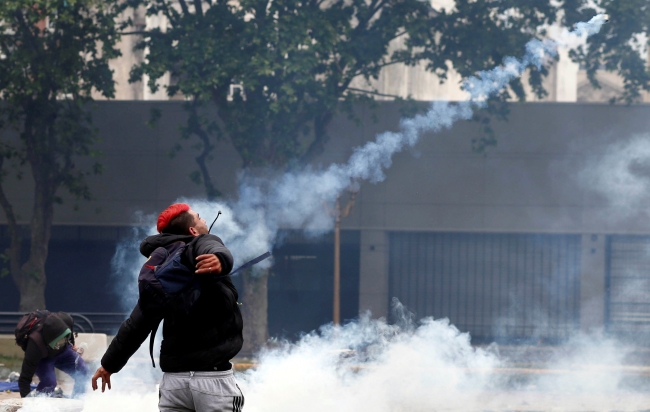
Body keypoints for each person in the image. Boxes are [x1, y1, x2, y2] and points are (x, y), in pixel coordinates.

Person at [92, 203, 245, 412]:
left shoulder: (161, 271)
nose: (204, 220)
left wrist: (109, 364)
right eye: (199, 217)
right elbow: (213, 247)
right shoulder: (201, 243)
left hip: (173, 384)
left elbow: (136, 324)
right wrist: (220, 259)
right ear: (192, 230)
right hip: (213, 381)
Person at [17, 311, 89, 398]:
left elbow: (69, 334)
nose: (63, 342)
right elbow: (24, 379)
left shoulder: (65, 320)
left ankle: (77, 401)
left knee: (84, 372)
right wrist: (27, 404)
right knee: (49, 383)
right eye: (59, 342)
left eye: (64, 339)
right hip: (44, 359)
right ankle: (40, 405)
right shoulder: (35, 346)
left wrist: (72, 345)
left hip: (64, 352)